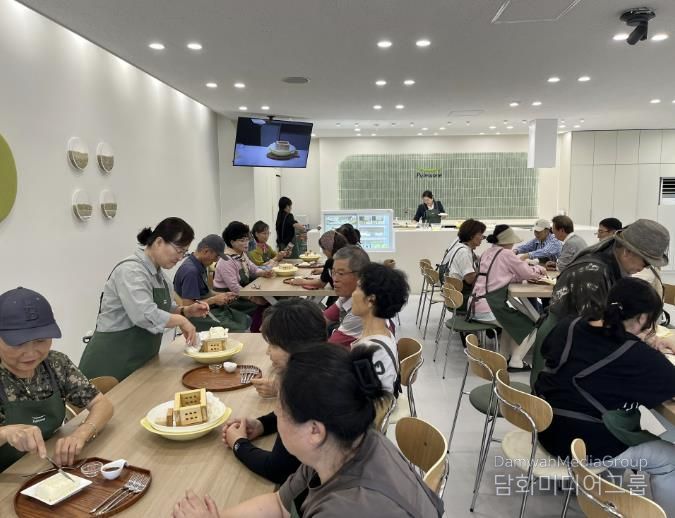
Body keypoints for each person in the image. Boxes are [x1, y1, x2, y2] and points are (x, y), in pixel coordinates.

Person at [172, 345, 444, 518]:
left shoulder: (348, 509)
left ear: (314, 430)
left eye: (279, 410)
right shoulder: (342, 445)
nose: (275, 415)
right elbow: (279, 504)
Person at [535, 278, 675, 516]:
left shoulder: (569, 324)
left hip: (545, 426)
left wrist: (641, 343)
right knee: (670, 461)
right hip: (584, 445)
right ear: (642, 318)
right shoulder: (636, 355)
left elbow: (550, 351)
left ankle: (602, 489)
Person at [531, 219, 671, 385]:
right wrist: (644, 347)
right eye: (646, 262)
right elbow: (598, 331)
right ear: (627, 251)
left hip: (570, 339)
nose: (645, 268)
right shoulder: (593, 273)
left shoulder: (610, 258)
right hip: (562, 345)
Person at [79, 218, 209, 381]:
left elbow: (163, 308)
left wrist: (186, 311)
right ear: (159, 242)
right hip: (112, 361)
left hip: (139, 359)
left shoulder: (160, 275)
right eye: (179, 250)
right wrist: (181, 321)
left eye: (184, 253)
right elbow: (144, 314)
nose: (180, 257)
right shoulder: (131, 270)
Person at [0, 288, 113, 471]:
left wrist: (81, 434)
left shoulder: (56, 364)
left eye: (41, 340)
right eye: (18, 343)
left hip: (42, 465)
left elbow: (102, 404)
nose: (31, 352)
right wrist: (5, 433)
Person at [221, 300, 328, 484]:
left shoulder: (300, 393)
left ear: (297, 346)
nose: (268, 352)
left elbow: (278, 469)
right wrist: (262, 424)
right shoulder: (324, 371)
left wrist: (238, 444)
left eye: (273, 345)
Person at [469, 225, 546, 372]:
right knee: (532, 324)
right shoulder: (506, 254)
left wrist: (517, 275)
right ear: (508, 241)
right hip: (489, 306)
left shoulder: (487, 252)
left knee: (509, 323)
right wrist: (539, 269)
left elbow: (500, 275)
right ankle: (516, 361)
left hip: (474, 304)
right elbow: (527, 273)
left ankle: (503, 357)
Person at [351, 263, 410, 394]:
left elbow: (374, 401)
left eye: (357, 288)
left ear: (371, 300)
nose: (353, 293)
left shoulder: (372, 351)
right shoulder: (385, 331)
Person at [173, 234, 251, 332]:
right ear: (206, 251)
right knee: (240, 328)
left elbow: (205, 292)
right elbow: (188, 307)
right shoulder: (191, 272)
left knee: (246, 319)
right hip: (196, 316)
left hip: (206, 309)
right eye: (216, 256)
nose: (216, 260)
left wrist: (222, 295)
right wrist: (214, 300)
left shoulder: (199, 264)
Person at [213, 221, 274, 333]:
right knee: (265, 304)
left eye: (247, 239)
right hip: (230, 300)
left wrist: (263, 273)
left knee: (268, 301)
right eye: (242, 240)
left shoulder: (241, 254)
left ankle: (260, 330)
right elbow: (234, 287)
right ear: (232, 242)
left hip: (242, 294)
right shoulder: (226, 260)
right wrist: (254, 298)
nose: (246, 243)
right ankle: (255, 332)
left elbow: (253, 268)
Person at [324, 246, 370, 348]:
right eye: (333, 272)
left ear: (361, 276)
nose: (335, 279)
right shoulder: (348, 296)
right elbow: (321, 320)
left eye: (341, 273)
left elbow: (329, 349)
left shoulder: (362, 309)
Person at [439, 218, 486, 309]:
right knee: (494, 298)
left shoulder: (460, 247)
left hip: (454, 295)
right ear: (471, 235)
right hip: (461, 299)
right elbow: (470, 279)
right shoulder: (464, 252)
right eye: (480, 235)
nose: (482, 238)